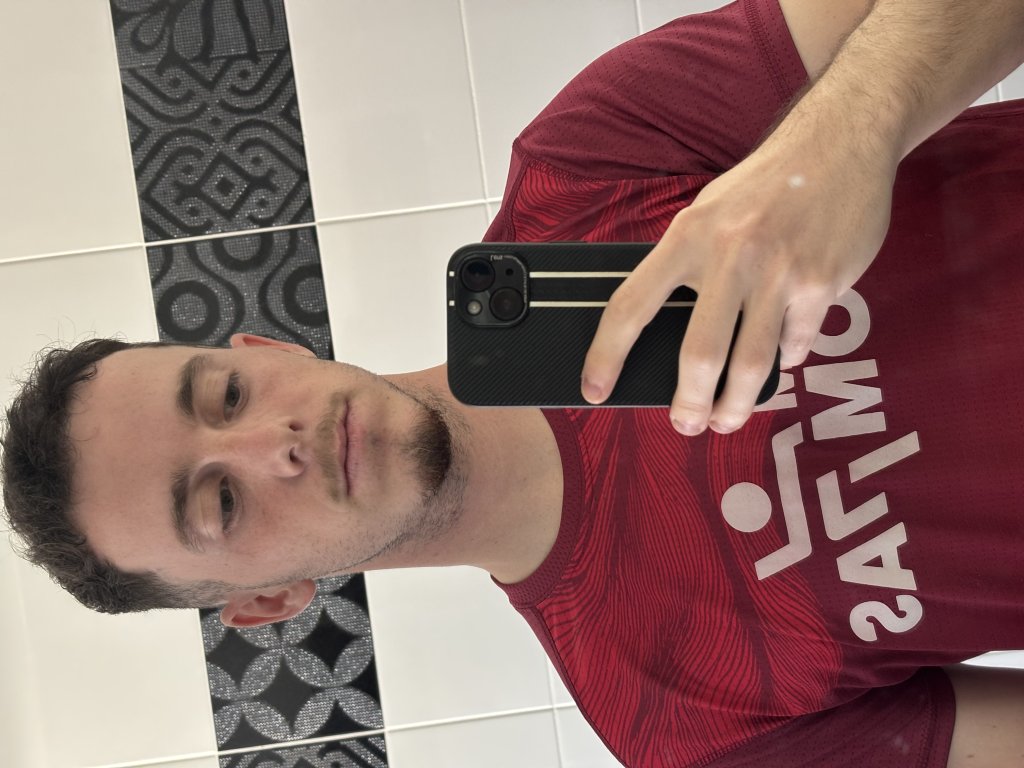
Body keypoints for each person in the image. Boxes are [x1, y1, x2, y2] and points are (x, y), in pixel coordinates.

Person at [3, 0, 1024, 766]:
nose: (276, 446)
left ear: (268, 351)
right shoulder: (681, 721)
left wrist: (852, 132)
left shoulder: (586, 170)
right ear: (266, 600)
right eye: (220, 502)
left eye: (226, 396)